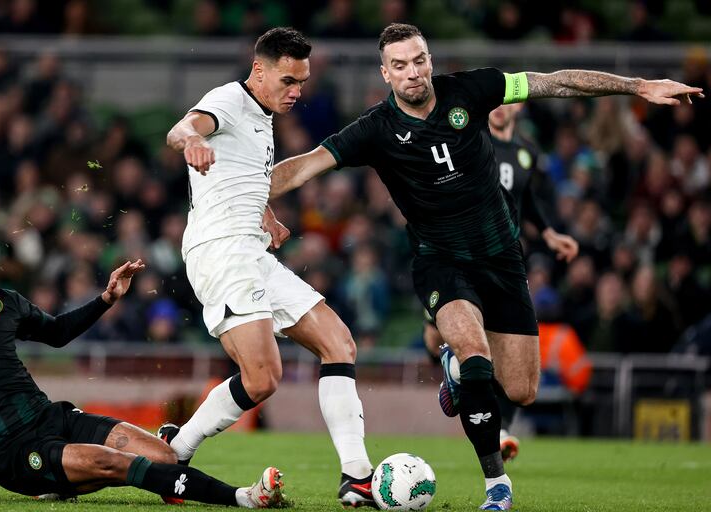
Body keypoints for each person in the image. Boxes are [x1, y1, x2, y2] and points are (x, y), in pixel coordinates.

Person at [267, 23, 702, 511]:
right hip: (441, 262)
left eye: (420, 60)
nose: (414, 73)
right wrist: (252, 199)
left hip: (502, 259)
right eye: (401, 66)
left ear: (430, 59)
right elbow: (304, 165)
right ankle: (496, 483)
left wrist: (637, 87)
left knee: (522, 389)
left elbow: (553, 81)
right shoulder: (374, 129)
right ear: (385, 72)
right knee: (476, 360)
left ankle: (457, 369)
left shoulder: (472, 89)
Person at [0, 221, 284, 508]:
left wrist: (105, 299)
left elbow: (57, 334)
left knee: (164, 456)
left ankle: (64, 485)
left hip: (51, 417)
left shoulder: (4, 301)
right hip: (9, 450)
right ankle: (243, 497)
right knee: (113, 462)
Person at [161, 27, 375, 507]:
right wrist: (191, 140)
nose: (296, 92)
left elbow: (241, 179)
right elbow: (182, 128)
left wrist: (266, 214)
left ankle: (356, 477)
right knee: (262, 379)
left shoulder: (263, 115)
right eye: (287, 80)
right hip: (221, 251)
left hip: (252, 250)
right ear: (259, 70)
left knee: (339, 343)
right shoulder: (230, 99)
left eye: (301, 82)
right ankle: (176, 450)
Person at [422, 101, 580, 463]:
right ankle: (456, 370)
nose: (495, 109)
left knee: (506, 348)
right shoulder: (470, 141)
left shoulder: (526, 151)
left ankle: (494, 415)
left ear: (518, 107)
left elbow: (527, 198)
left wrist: (550, 234)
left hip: (506, 257)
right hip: (464, 250)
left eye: (504, 103)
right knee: (436, 335)